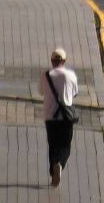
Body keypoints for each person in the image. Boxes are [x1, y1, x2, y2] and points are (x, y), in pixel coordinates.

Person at [40, 46, 78, 190]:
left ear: (51, 61)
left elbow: (40, 91)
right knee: (65, 145)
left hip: (50, 116)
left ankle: (53, 170)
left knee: (53, 144)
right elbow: (75, 93)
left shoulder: (46, 75)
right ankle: (60, 164)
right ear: (64, 61)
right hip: (66, 117)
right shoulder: (71, 75)